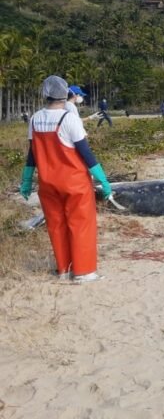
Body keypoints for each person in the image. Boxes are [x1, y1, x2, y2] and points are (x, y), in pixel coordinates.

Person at [19, 75, 112, 283]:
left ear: (46, 94)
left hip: (48, 184)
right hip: (74, 182)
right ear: (66, 94)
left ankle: (64, 270)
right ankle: (84, 272)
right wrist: (103, 181)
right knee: (81, 224)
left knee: (56, 225)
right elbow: (86, 154)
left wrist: (26, 181)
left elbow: (32, 154)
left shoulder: (34, 119)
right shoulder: (68, 118)